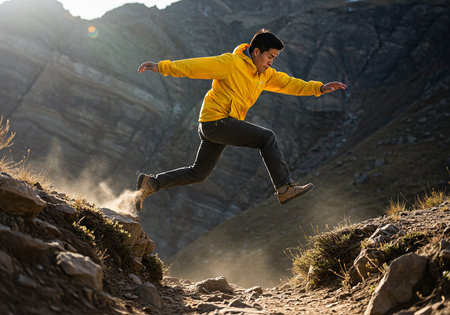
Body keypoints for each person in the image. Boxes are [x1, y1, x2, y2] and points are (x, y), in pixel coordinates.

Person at [135, 29, 346, 211]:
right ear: (256, 52)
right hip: (216, 122)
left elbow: (290, 84)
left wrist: (319, 88)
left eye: (275, 58)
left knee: (199, 173)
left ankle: (151, 184)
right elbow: (196, 67)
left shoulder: (265, 75)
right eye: (269, 56)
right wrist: (161, 66)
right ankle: (285, 188)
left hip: (218, 125)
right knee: (267, 138)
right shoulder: (231, 63)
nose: (271, 61)